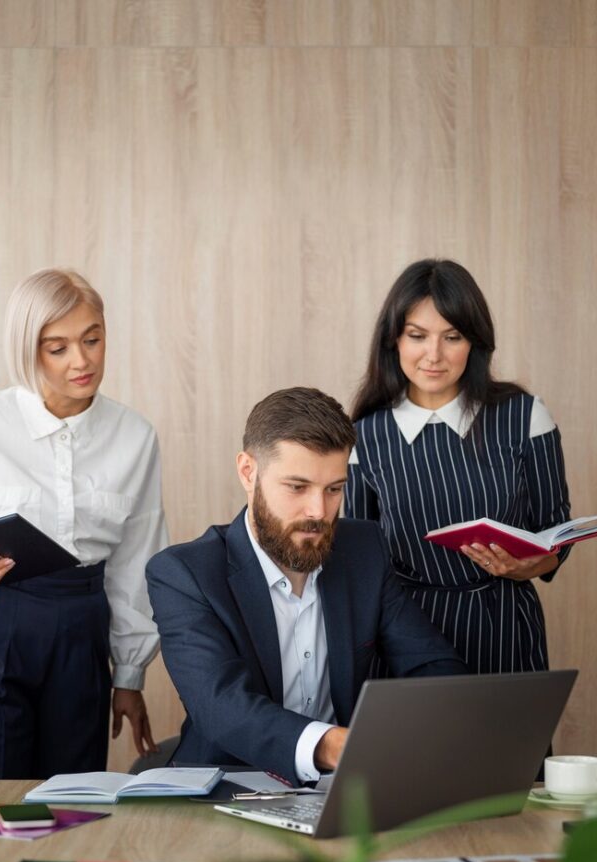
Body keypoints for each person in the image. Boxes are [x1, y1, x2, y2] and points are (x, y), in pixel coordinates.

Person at [146, 387, 465, 786]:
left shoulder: (364, 550)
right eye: (297, 487)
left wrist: (425, 727)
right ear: (248, 472)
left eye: (334, 489)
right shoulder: (184, 574)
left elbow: (430, 664)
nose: (319, 512)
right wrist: (333, 746)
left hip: (344, 788)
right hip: (225, 788)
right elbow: (221, 706)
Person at [0, 269, 168, 778]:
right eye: (57, 348)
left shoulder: (135, 436)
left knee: (68, 801)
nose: (82, 361)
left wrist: (129, 674)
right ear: (27, 350)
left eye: (92, 340)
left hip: (80, 631)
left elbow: (136, 563)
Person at [345, 258, 571, 677]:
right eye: (417, 335)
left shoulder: (524, 417)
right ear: (394, 340)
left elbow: (557, 531)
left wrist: (532, 566)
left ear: (474, 342)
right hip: (404, 635)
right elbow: (361, 558)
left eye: (452, 337)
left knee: (507, 724)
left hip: (504, 629)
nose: (434, 355)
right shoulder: (364, 437)